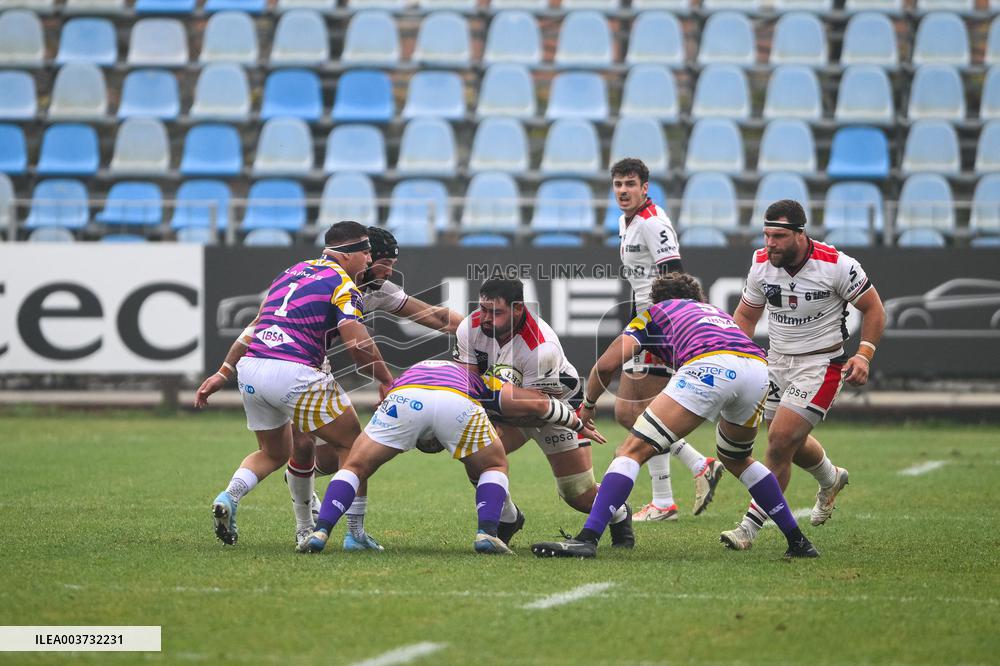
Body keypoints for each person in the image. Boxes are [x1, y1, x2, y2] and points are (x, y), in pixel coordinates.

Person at [195, 226, 464, 549]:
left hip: (257, 367)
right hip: (299, 368)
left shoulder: (298, 272)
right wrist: (386, 380)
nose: (387, 271)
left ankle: (234, 496)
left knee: (283, 450)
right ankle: (350, 532)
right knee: (354, 446)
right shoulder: (343, 282)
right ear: (359, 255)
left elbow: (433, 316)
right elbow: (358, 344)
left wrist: (476, 326)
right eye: (381, 261)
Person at [531, 272, 819, 559]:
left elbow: (606, 366)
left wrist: (590, 405)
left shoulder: (654, 313)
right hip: (756, 369)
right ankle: (798, 541)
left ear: (657, 300)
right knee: (737, 457)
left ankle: (588, 538)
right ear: (698, 299)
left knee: (631, 451)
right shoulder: (717, 313)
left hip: (709, 365)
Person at [298, 359, 606, 555]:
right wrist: (579, 424)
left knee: (355, 465)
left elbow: (389, 394)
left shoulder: (410, 371)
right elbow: (541, 407)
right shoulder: (484, 379)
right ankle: (487, 533)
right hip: (455, 400)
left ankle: (321, 529)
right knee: (495, 464)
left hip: (407, 396)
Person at [720, 200, 885, 550]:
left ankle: (748, 528)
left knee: (779, 440)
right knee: (788, 445)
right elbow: (747, 316)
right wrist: (730, 355)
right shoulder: (762, 264)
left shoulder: (838, 265)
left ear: (800, 233)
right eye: (766, 235)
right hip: (776, 362)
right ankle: (831, 477)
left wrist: (865, 355)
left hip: (821, 365)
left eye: (778, 236)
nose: (770, 244)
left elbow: (874, 308)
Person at [453, 278, 634, 549]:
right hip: (511, 405)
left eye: (496, 312)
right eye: (483, 309)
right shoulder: (470, 326)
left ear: (517, 309)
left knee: (578, 495)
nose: (486, 318)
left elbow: (538, 409)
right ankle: (507, 517)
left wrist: (494, 402)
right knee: (477, 452)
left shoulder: (541, 346)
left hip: (555, 409)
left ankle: (619, 514)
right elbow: (467, 384)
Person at [610, 158, 723, 522]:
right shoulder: (624, 222)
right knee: (638, 413)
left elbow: (673, 274)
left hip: (657, 324)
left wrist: (666, 323)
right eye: (618, 184)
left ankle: (692, 470)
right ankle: (665, 499)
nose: (623, 191)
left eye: (630, 184)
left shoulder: (653, 223)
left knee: (630, 412)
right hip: (645, 320)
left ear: (645, 187)